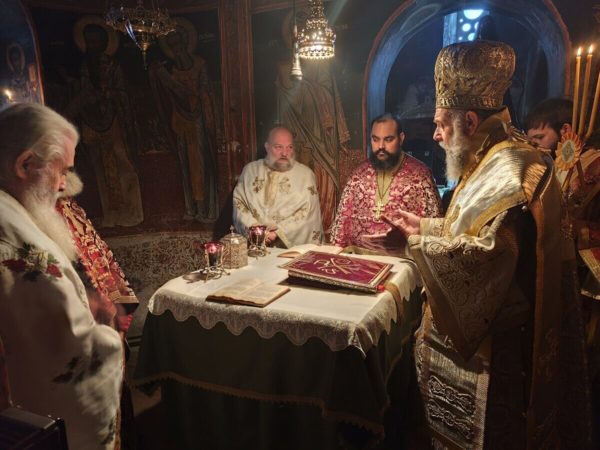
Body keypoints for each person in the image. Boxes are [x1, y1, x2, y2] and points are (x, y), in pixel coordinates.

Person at [390, 41, 591, 448]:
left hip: (494, 355)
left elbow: (489, 256)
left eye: (441, 123)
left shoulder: (510, 170)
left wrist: (416, 244)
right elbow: (470, 226)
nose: (435, 134)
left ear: (468, 120)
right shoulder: (490, 154)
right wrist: (426, 227)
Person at [0, 103, 123, 449]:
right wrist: (109, 336)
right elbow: (68, 356)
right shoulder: (15, 243)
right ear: (25, 164)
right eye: (62, 170)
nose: (64, 184)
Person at [276, 10, 351, 232]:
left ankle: (325, 228)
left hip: (322, 137)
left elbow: (329, 92)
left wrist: (308, 87)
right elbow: (285, 98)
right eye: (296, 36)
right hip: (298, 134)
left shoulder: (321, 63)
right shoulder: (283, 66)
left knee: (323, 181)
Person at [67, 16, 144, 228]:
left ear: (103, 43)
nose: (92, 46)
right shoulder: (83, 67)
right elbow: (78, 94)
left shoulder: (113, 66)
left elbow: (123, 93)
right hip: (91, 121)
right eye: (88, 41)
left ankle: (133, 213)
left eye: (96, 41)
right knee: (100, 168)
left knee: (123, 162)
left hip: (113, 120)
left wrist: (109, 94)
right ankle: (111, 215)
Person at [330, 113, 442, 255]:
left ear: (401, 138)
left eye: (388, 139)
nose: (381, 146)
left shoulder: (420, 176)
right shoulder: (358, 175)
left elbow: (434, 233)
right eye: (375, 139)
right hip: (359, 259)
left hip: (402, 260)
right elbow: (341, 225)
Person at [150, 17, 221, 221]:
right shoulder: (170, 69)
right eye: (171, 45)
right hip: (180, 121)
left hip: (198, 120)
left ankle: (206, 208)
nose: (176, 48)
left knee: (200, 163)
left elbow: (205, 92)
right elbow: (168, 94)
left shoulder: (199, 64)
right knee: (185, 165)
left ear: (185, 41)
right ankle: (191, 208)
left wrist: (193, 97)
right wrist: (159, 75)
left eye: (178, 42)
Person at [233, 126, 323, 247]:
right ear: (267, 147)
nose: (285, 153)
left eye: (289, 147)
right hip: (253, 244)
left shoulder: (305, 175)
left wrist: (278, 233)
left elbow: (307, 214)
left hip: (289, 250)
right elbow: (239, 204)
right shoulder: (250, 171)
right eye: (278, 147)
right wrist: (256, 230)